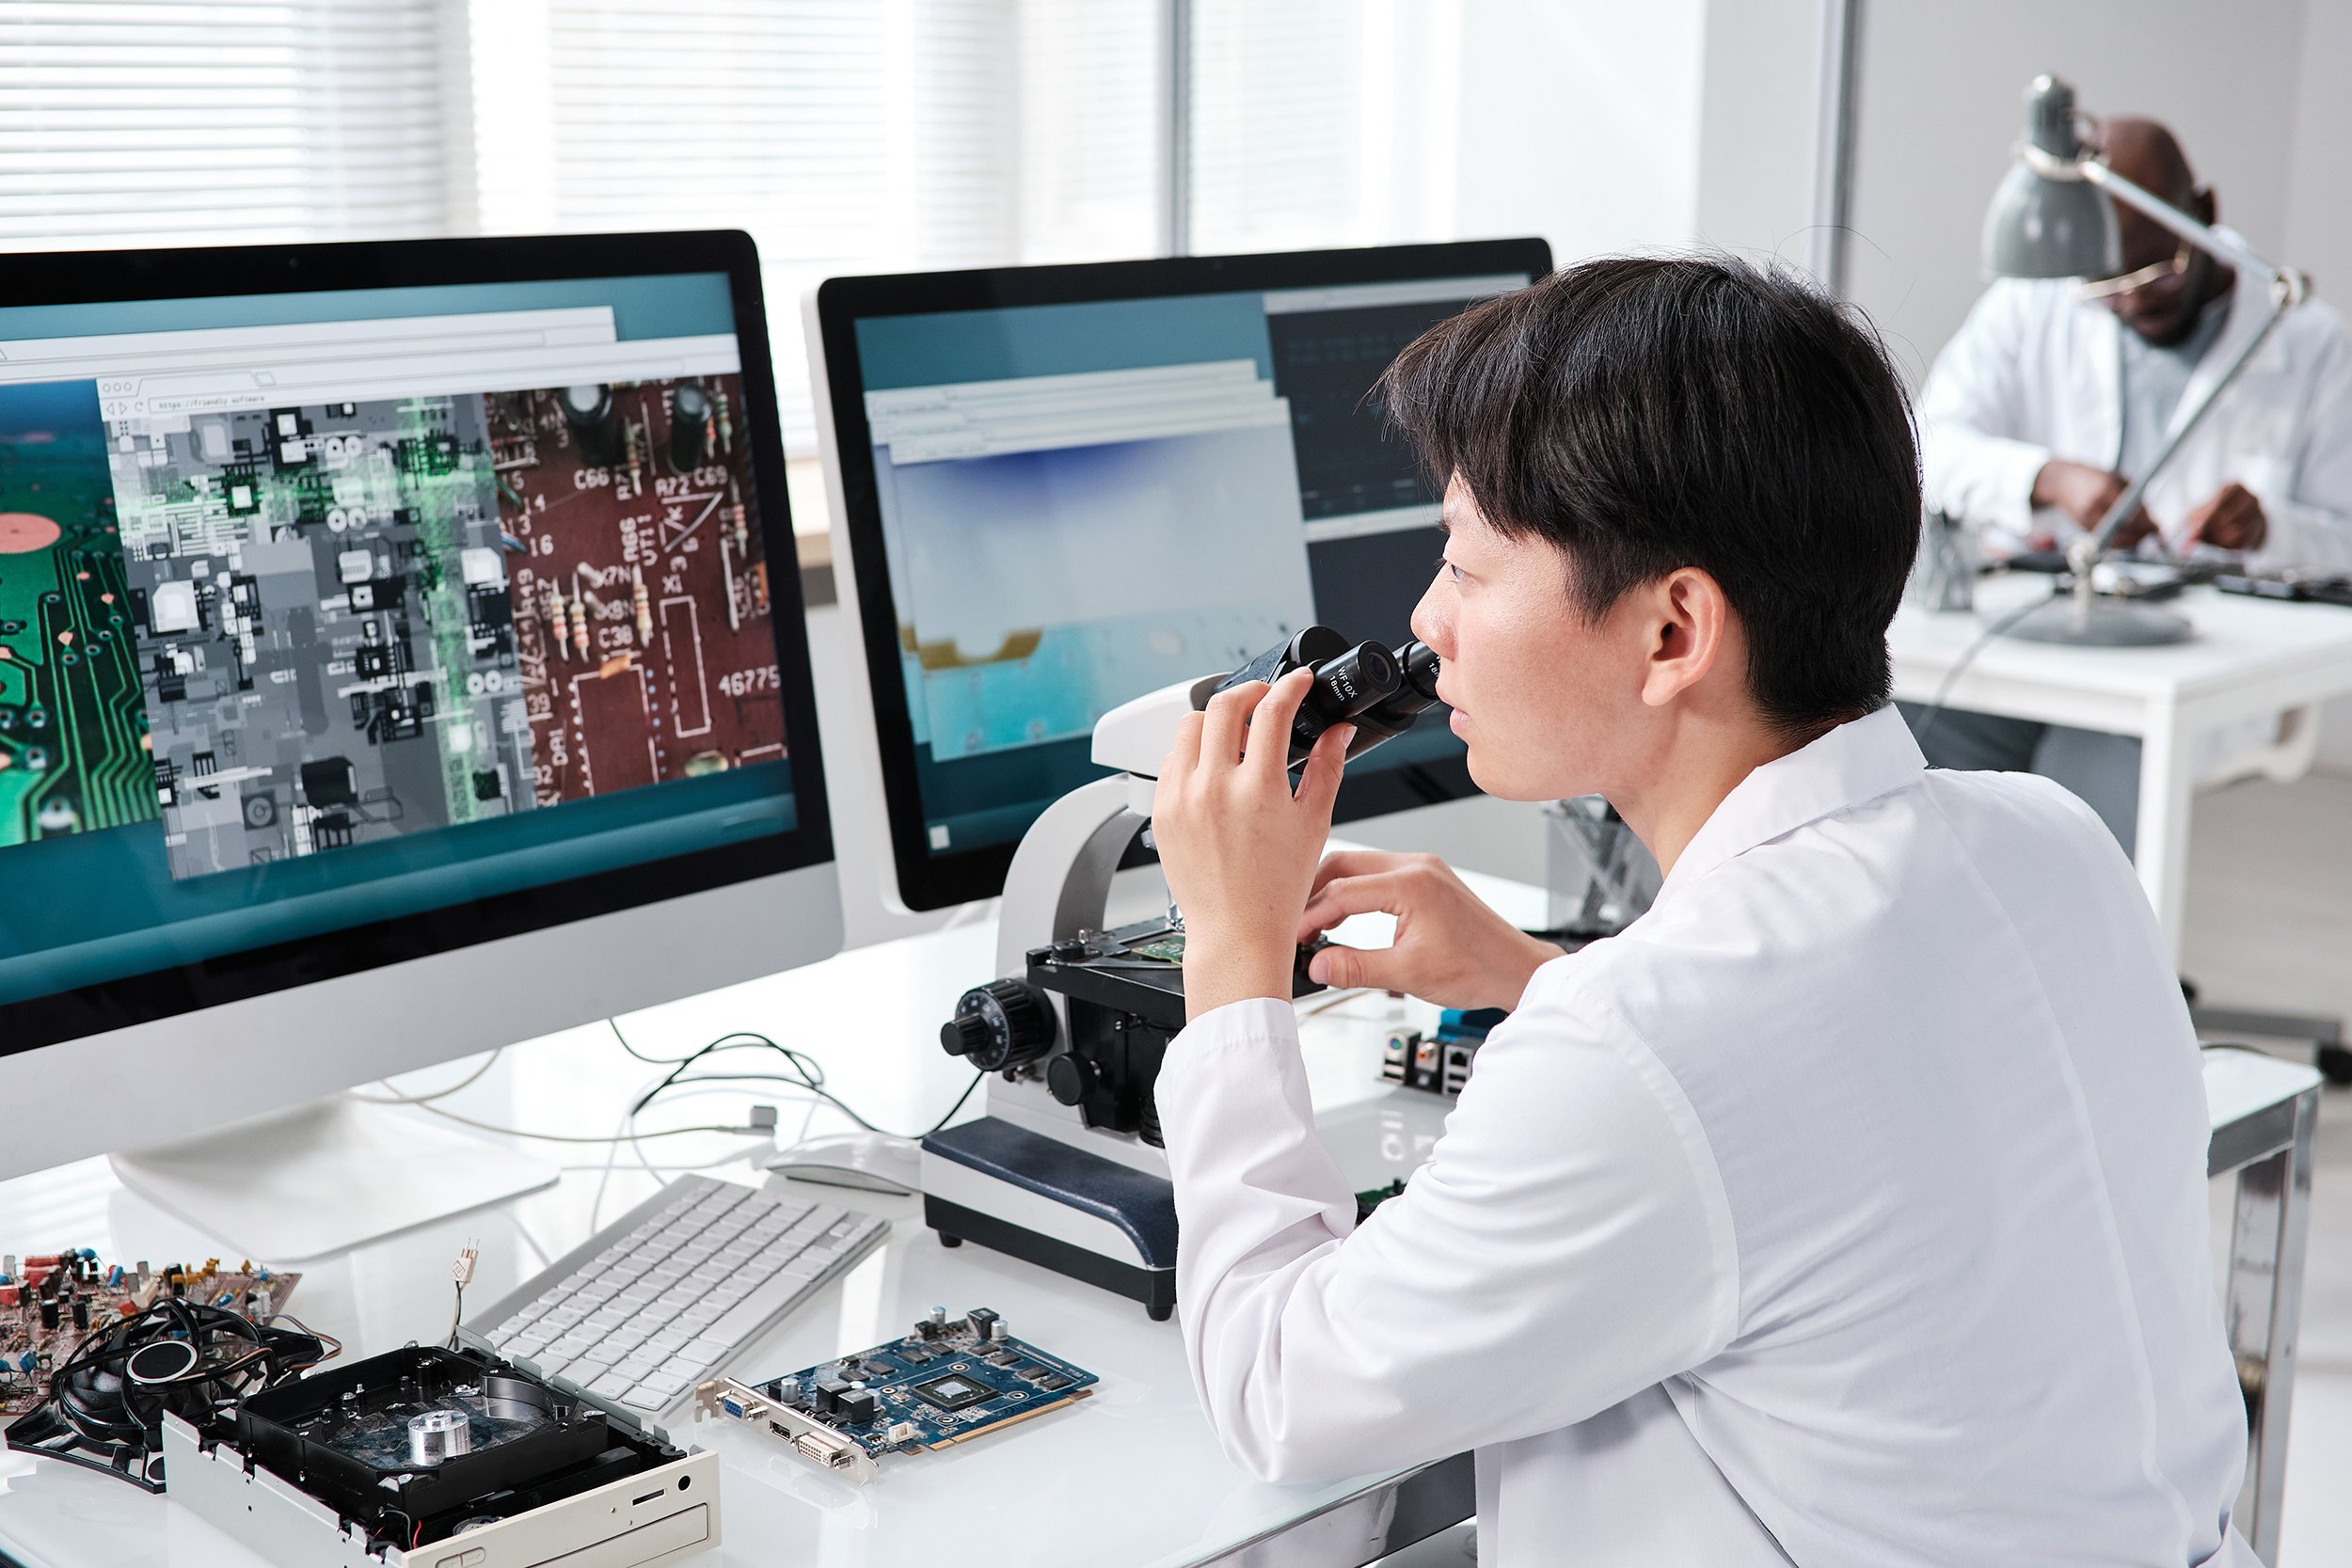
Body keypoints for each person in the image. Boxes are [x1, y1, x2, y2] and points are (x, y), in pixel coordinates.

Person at [1147, 257, 2249, 1565]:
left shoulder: (1646, 1041)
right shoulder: (2049, 838)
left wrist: (1228, 958)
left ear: (1674, 631)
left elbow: (1282, 1386)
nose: (1427, 622)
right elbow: (1820, 1089)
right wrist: (1537, 974)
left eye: (1468, 567)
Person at [1911, 117, 2352, 853]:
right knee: (1905, 735)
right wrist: (2046, 477)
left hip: (2190, 667)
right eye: (2108, 288)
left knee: (2077, 781)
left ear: (2204, 212)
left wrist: (2269, 530)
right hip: (2031, 641)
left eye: (2158, 273)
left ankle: (2084, 968)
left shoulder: (2305, 340)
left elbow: (2344, 542)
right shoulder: (2041, 296)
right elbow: (1926, 445)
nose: (2134, 302)